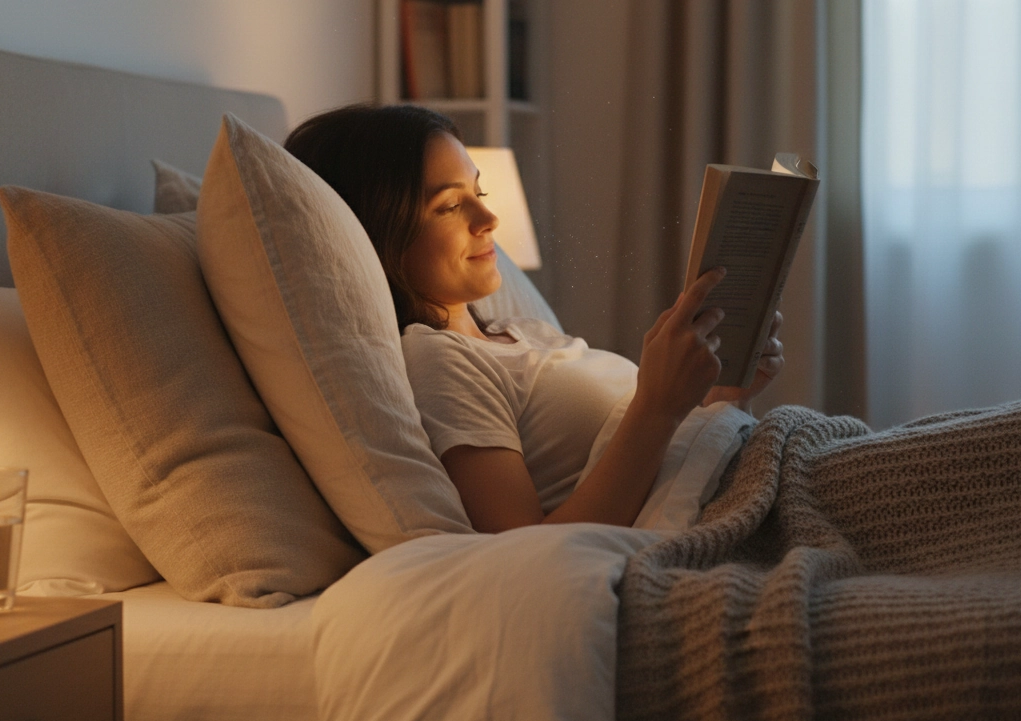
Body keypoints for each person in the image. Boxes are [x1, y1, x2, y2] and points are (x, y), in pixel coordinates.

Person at [285, 104, 784, 534]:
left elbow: (674, 471)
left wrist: (728, 395)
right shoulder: (440, 361)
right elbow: (529, 551)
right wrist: (657, 405)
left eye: (478, 194)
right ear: (378, 232)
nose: (489, 220)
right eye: (450, 206)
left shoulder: (523, 334)